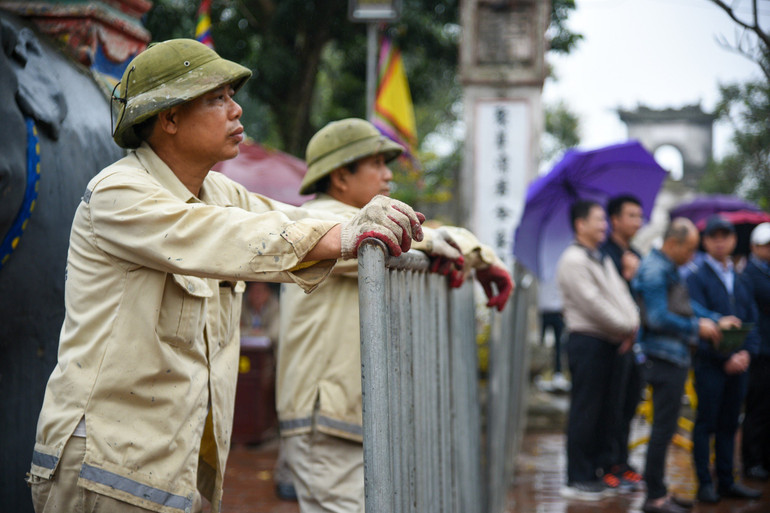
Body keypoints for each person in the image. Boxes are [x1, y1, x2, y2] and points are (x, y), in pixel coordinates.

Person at [26, 40, 425, 513]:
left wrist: (429, 241)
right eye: (216, 98)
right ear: (169, 119)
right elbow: (228, 235)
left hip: (168, 468)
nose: (236, 110)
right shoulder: (119, 192)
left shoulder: (216, 191)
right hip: (101, 471)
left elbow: (297, 220)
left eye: (232, 96)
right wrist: (346, 234)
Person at [276, 118, 514, 513]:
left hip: (346, 414)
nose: (388, 175)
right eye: (376, 164)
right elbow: (401, 238)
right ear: (340, 176)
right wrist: (477, 255)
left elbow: (412, 235)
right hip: (327, 419)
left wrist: (472, 254)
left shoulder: (346, 220)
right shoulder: (320, 222)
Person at [632, 218, 731, 513]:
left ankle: (660, 491)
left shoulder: (668, 267)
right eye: (689, 249)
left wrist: (714, 319)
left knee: (666, 427)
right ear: (672, 243)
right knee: (662, 429)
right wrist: (697, 328)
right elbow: (657, 317)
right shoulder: (654, 269)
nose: (692, 256)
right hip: (662, 358)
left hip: (673, 356)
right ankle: (654, 497)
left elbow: (686, 307)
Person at [556, 199, 639, 501]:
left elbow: (620, 294)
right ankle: (577, 477)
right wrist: (626, 327)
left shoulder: (599, 258)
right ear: (580, 224)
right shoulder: (573, 260)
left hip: (609, 342)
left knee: (604, 411)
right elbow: (593, 304)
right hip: (587, 342)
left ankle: (593, 472)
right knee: (586, 411)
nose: (605, 225)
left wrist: (632, 323)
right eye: (599, 220)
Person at [686, 215, 761, 504]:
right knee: (706, 423)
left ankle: (727, 480)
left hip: (740, 364)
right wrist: (725, 357)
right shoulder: (696, 277)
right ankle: (705, 483)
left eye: (725, 235)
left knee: (730, 423)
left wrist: (746, 353)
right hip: (710, 364)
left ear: (733, 240)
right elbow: (696, 323)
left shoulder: (741, 277)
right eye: (713, 236)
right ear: (705, 241)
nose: (720, 241)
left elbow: (752, 320)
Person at [599, 195, 645, 491]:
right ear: (614, 220)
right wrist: (627, 275)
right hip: (614, 342)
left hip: (637, 343)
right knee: (611, 405)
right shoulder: (604, 254)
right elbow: (608, 297)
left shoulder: (636, 254)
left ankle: (623, 461)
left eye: (639, 216)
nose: (637, 222)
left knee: (629, 403)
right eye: (631, 215)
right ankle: (608, 463)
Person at [742, 222, 770, 482]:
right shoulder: (751, 273)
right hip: (759, 350)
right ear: (754, 247)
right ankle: (752, 461)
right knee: (757, 408)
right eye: (765, 245)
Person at [537, 277, 569, 392]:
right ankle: (542, 372)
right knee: (543, 344)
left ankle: (557, 373)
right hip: (546, 310)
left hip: (557, 311)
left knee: (559, 346)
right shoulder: (543, 274)